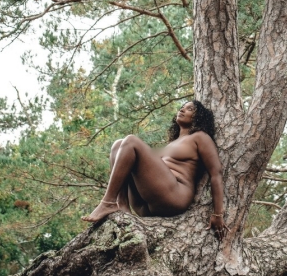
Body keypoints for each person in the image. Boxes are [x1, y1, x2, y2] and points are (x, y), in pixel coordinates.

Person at [82, 100, 228, 238]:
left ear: (198, 117)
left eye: (189, 109)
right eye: (182, 107)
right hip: (146, 205)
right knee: (118, 144)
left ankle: (108, 202)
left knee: (131, 141)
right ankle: (122, 205)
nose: (182, 110)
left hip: (175, 196)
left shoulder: (200, 137)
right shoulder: (172, 143)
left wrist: (218, 213)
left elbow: (216, 174)